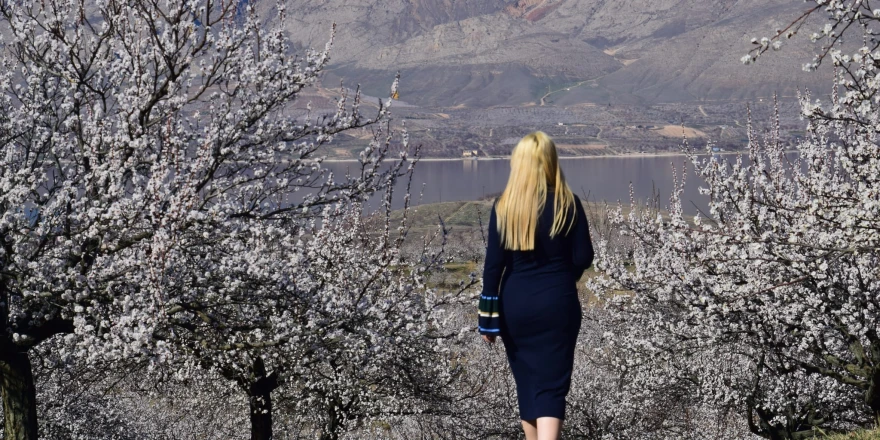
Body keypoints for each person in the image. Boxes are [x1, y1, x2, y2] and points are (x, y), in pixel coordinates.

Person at [478, 131, 594, 440]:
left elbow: (493, 268)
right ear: (551, 162)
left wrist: (487, 323)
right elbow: (584, 256)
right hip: (558, 303)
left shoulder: (504, 207)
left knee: (528, 386)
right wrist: (563, 278)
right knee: (551, 388)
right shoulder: (569, 203)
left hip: (515, 307)